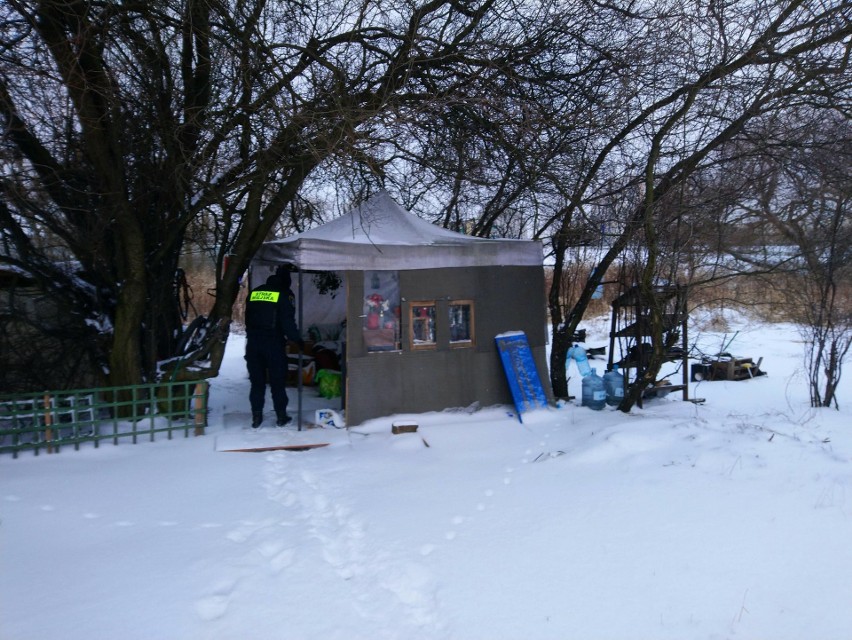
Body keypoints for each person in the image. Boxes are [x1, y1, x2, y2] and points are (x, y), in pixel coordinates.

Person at [245, 266, 303, 428]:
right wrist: (297, 339)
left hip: (253, 344)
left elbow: (247, 318)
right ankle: (281, 416)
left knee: (257, 383)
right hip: (273, 344)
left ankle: (256, 417)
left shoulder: (255, 293)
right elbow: (287, 322)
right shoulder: (284, 294)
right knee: (278, 382)